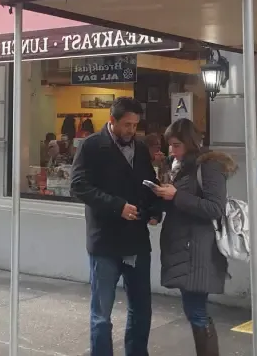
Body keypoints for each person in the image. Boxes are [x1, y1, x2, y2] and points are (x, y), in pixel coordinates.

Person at [70, 97, 161, 356]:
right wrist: (117, 206)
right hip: (105, 243)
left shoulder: (141, 148)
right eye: (126, 125)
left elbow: (148, 184)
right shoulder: (90, 146)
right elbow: (78, 186)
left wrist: (154, 210)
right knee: (101, 314)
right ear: (112, 121)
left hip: (136, 240)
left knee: (141, 308)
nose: (131, 130)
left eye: (135, 125)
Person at [151, 118, 237, 356]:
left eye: (176, 145)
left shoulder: (207, 167)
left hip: (198, 250)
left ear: (189, 143)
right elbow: (183, 204)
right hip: (184, 247)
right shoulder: (181, 167)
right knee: (193, 310)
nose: (171, 150)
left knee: (196, 310)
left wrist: (176, 195)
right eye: (170, 145)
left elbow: (214, 208)